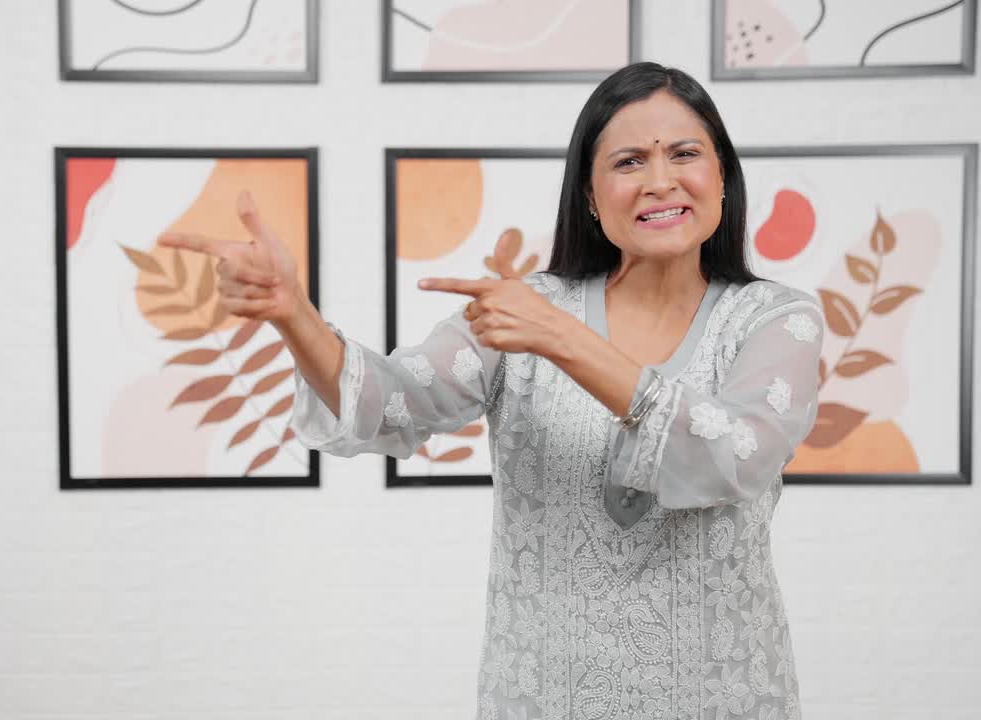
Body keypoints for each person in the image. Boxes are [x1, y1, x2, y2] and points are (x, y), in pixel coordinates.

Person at [161, 62, 819, 720]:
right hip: (542, 701)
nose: (659, 181)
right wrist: (293, 314)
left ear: (723, 177)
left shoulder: (774, 320)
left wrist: (563, 338)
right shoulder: (523, 311)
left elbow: (735, 458)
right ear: (590, 196)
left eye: (684, 153)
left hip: (724, 702)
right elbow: (390, 405)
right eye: (628, 162)